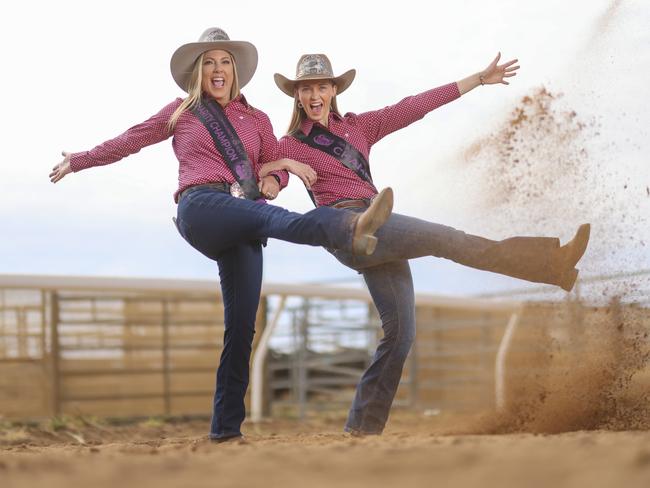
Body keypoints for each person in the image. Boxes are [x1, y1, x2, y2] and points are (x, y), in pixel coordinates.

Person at [48, 29, 394, 442]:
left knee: (242, 328)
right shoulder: (182, 111)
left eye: (225, 61)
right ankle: (349, 227)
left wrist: (274, 180)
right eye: (209, 62)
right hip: (202, 207)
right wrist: (81, 160)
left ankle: (225, 432)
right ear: (198, 71)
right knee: (273, 220)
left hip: (245, 215)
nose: (218, 69)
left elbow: (272, 169)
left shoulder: (260, 121)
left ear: (235, 71)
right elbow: (131, 140)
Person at [264, 53, 591, 436]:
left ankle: (361, 429)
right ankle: (550, 261)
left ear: (334, 90)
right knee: (449, 239)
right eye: (306, 88)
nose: (315, 94)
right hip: (344, 227)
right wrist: (273, 176)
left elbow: (412, 107)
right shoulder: (289, 144)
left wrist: (477, 80)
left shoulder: (359, 127)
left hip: (379, 225)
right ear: (297, 95)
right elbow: (274, 180)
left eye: (322, 86)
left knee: (400, 335)